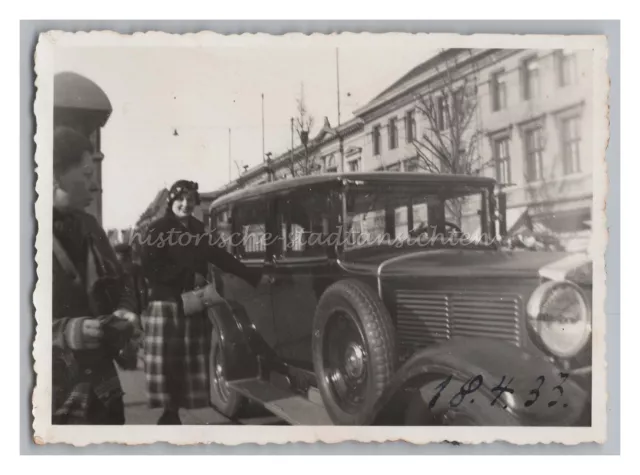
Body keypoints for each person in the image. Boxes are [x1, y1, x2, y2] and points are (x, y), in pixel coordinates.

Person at [141, 179, 262, 425]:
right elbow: (150, 267)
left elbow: (218, 255)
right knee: (168, 364)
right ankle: (169, 415)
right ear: (171, 201)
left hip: (193, 304)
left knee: (187, 364)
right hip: (167, 305)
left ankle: (174, 414)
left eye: (190, 200)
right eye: (180, 199)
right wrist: (187, 276)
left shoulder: (197, 229)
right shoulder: (159, 229)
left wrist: (252, 275)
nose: (185, 204)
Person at [52, 126, 140, 424]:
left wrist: (126, 311)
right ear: (55, 174)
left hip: (102, 394)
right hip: (52, 398)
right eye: (87, 174)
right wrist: (65, 332)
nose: (94, 185)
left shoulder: (91, 227)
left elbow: (122, 285)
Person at [114, 242, 149, 315]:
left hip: (120, 307)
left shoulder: (115, 270)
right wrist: (144, 307)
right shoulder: (136, 269)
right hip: (133, 307)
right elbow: (142, 289)